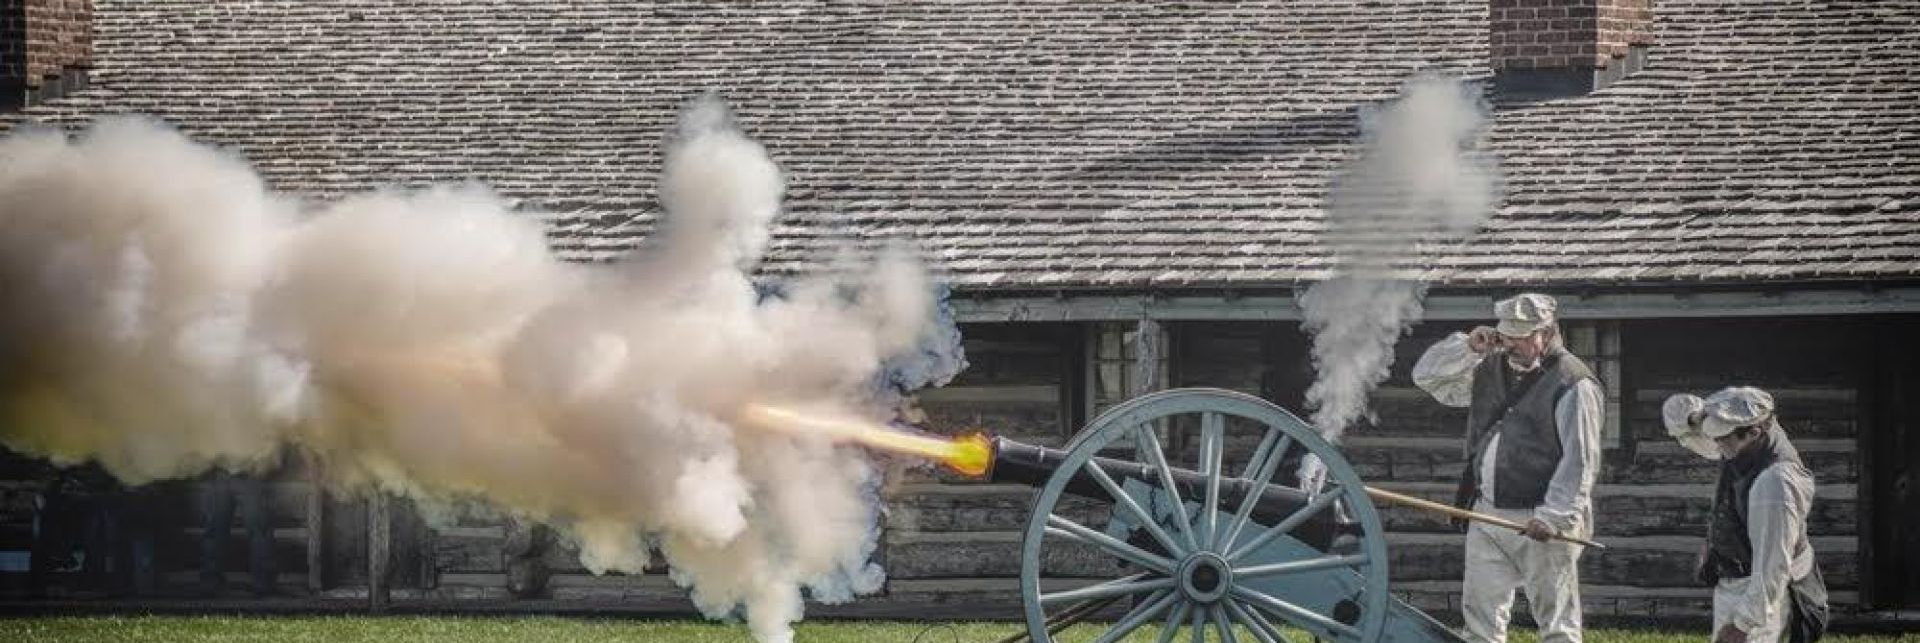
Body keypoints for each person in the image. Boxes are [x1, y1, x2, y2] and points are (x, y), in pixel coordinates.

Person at [1413, 293, 1603, 643]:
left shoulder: (1574, 383)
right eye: (1507, 333)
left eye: (1521, 335)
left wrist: (1554, 516)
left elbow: (1580, 460)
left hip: (1541, 517)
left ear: (1545, 333)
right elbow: (1427, 376)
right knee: (1480, 623)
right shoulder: (1488, 366)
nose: (1510, 343)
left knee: (1557, 625)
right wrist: (1468, 347)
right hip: (1486, 513)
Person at [1664, 387, 1828, 643]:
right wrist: (1699, 418)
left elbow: (1773, 566)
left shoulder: (1775, 482)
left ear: (1754, 432)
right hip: (1737, 582)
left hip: (1768, 597)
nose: (1715, 443)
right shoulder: (1742, 444)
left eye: (1722, 437)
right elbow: (1674, 413)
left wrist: (1742, 625)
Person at [198, 467, 277, 597]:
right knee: (215, 530)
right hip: (223, 472)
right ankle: (210, 581)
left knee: (259, 530)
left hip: (249, 471)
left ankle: (263, 582)